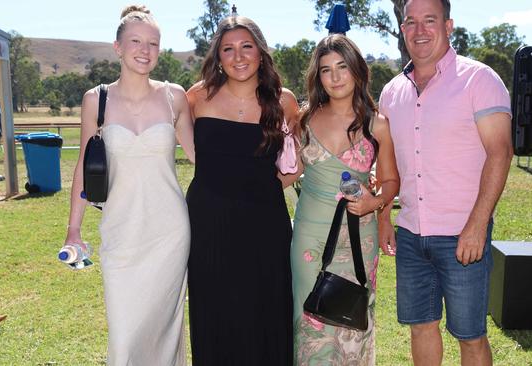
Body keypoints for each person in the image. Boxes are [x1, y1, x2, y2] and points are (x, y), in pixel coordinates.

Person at [378, 0, 513, 365]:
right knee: (421, 327)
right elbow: (388, 167)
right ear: (402, 28)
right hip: (410, 235)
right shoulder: (391, 93)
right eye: (411, 22)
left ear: (449, 26)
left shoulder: (479, 79)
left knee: (470, 335)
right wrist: (384, 217)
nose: (419, 30)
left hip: (462, 234)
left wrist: (477, 225)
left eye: (430, 20)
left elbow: (500, 153)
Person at [64, 5, 194, 365]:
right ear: (118, 47)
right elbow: (82, 167)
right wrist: (73, 229)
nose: (145, 50)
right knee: (124, 336)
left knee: (164, 329)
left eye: (153, 43)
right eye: (136, 41)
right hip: (120, 232)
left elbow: (204, 159)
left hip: (170, 232)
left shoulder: (174, 97)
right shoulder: (96, 100)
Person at [184, 14, 298, 365]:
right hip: (209, 226)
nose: (238, 56)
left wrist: (258, 189)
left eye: (247, 46)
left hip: (265, 226)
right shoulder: (196, 98)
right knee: (215, 315)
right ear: (218, 57)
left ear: (261, 53)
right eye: (228, 49)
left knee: (265, 314)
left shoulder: (285, 101)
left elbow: (294, 166)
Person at [291, 34, 399, 365]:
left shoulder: (377, 122)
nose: (335, 77)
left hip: (357, 239)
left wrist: (375, 203)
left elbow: (393, 181)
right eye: (326, 70)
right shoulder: (304, 119)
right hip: (310, 236)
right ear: (318, 77)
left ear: (356, 70)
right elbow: (289, 171)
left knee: (352, 323)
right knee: (308, 320)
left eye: (342, 67)